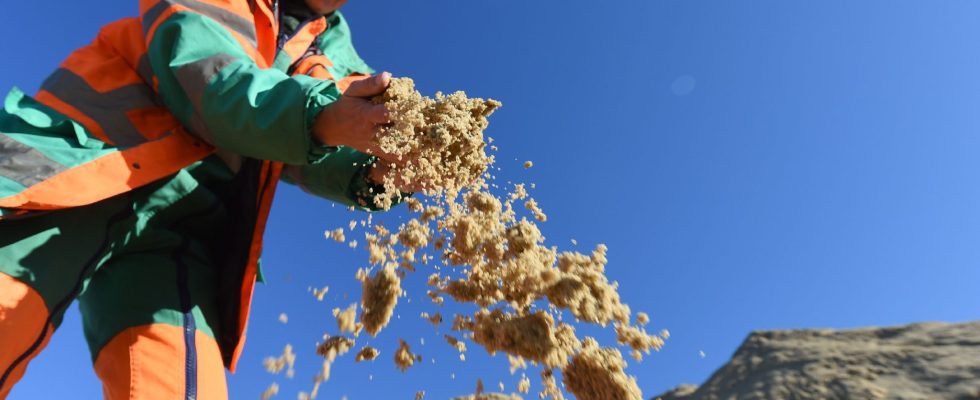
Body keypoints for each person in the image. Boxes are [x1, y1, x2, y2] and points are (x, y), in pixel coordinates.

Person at [0, 0, 407, 398]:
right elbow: (211, 81)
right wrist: (321, 115)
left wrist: (375, 172)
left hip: (183, 232)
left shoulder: (334, 51)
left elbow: (328, 138)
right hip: (78, 165)